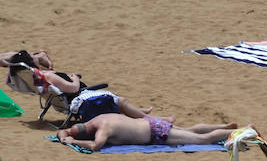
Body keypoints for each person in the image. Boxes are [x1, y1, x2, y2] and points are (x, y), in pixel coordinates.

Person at [5, 52, 164, 120]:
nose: (36, 56)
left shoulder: (34, 78)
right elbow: (73, 89)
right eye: (33, 56)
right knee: (120, 100)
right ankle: (149, 118)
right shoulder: (47, 76)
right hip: (80, 97)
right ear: (31, 63)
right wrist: (74, 78)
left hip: (66, 100)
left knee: (121, 102)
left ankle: (138, 112)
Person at [56, 114, 238, 150]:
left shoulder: (103, 130)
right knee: (189, 130)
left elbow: (96, 146)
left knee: (202, 140)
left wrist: (74, 142)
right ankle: (225, 127)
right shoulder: (96, 120)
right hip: (150, 122)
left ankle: (244, 130)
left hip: (155, 132)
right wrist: (65, 136)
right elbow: (63, 131)